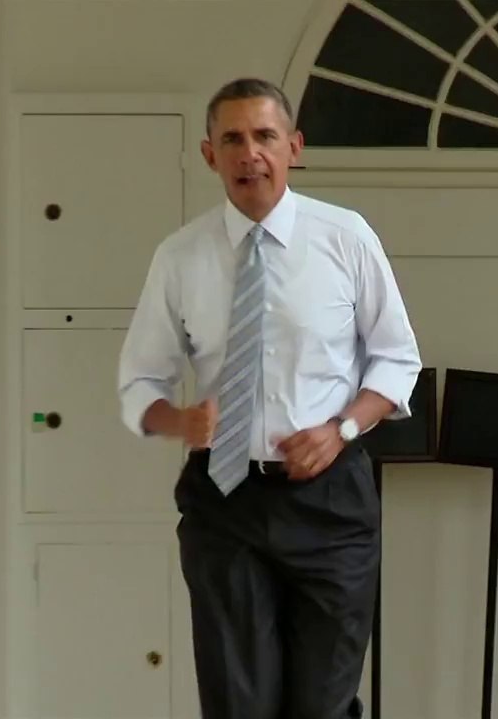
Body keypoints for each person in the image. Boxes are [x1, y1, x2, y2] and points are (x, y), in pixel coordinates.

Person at [117, 77, 421, 719]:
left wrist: (341, 429)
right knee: (237, 703)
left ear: (294, 146)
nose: (249, 152)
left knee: (323, 703)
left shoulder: (345, 238)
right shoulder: (180, 258)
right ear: (210, 155)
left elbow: (397, 359)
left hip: (330, 502)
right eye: (232, 139)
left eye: (264, 136)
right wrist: (182, 419)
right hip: (225, 504)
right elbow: (140, 384)